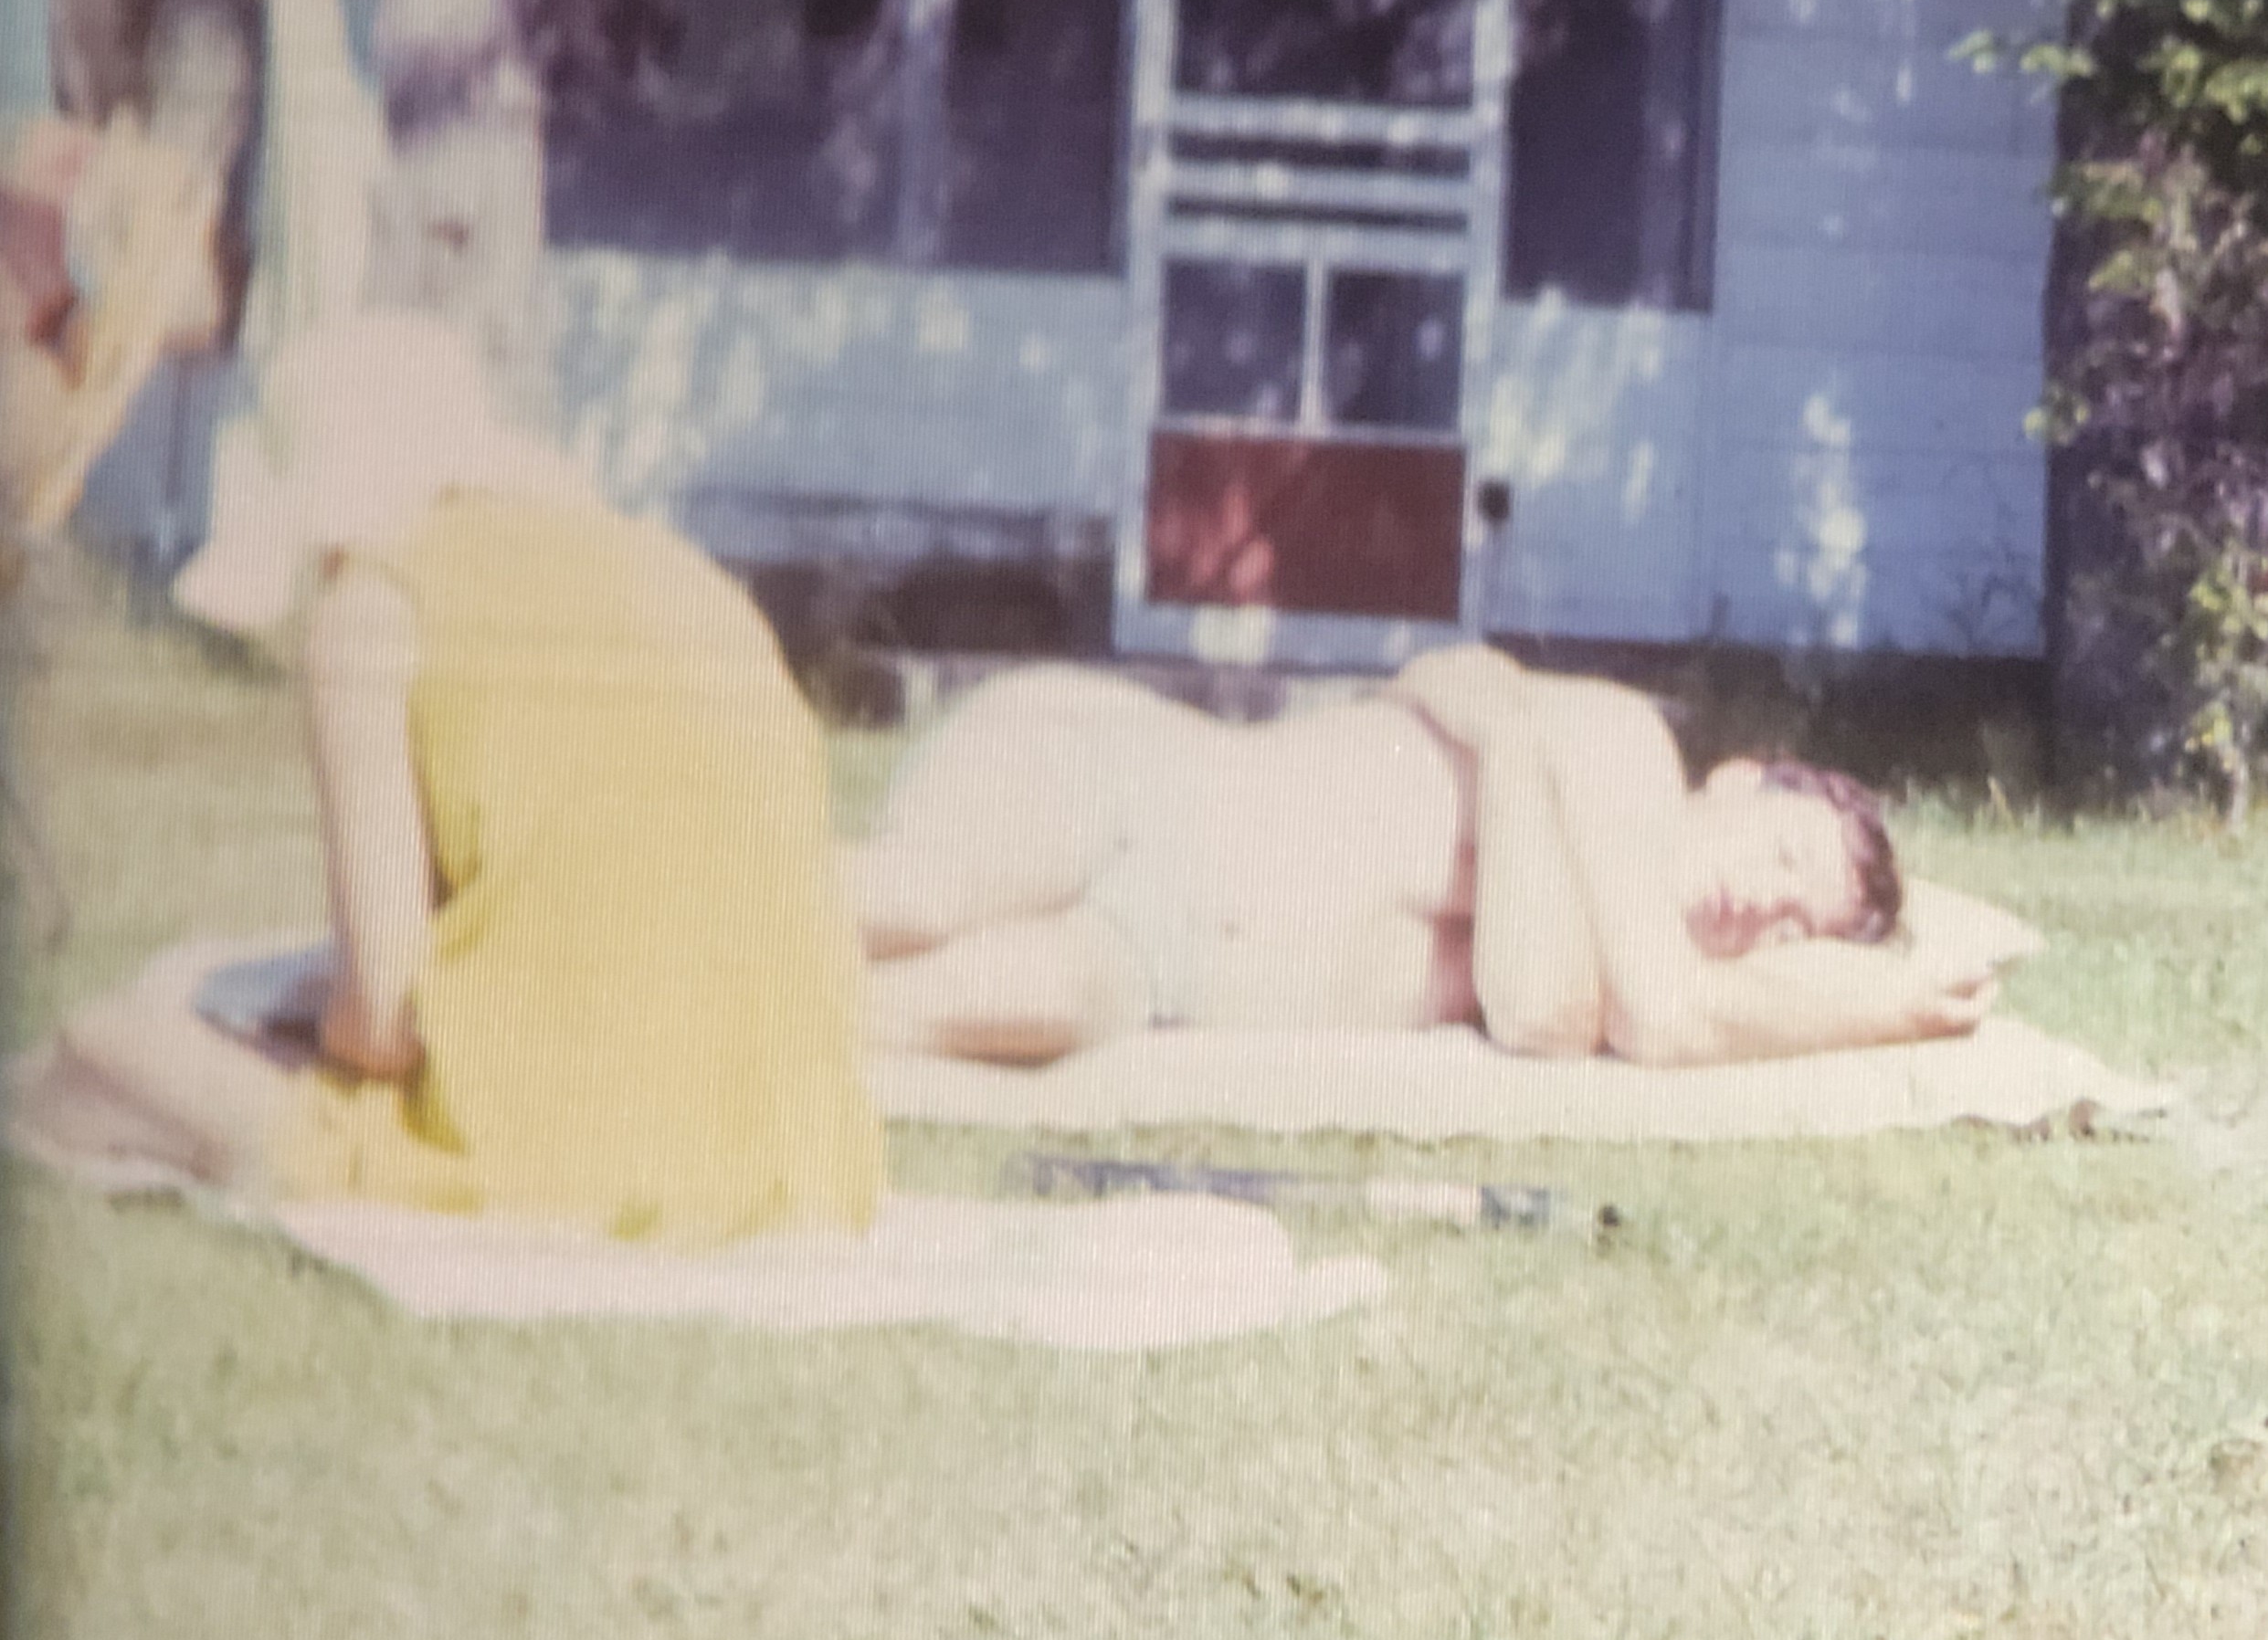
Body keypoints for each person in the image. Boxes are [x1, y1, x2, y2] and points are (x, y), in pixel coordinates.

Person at [16, 312, 883, 1242]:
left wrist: (300, 1020)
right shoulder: (678, 573)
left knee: (102, 1047)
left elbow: (383, 1023)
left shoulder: (374, 606)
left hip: (568, 1156)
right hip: (796, 1145)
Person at [848, 642, 1998, 1067]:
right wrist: (1892, 1008)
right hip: (1122, 784)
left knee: (1022, 1002)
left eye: (1794, 929)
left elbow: (1547, 1010)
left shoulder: (1597, 930)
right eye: (1789, 856)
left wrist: (1501, 746)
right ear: (1740, 778)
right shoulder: (1621, 751)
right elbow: (1661, 1017)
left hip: (1151, 963)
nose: (1766, 906)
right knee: (915, 898)